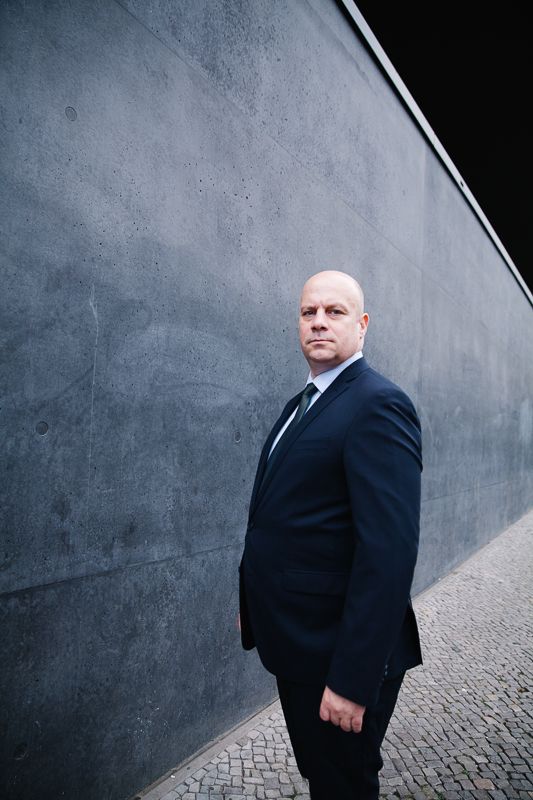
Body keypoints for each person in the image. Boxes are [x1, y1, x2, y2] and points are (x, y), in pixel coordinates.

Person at [239, 270, 423, 800]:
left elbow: (388, 555)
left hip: (337, 655)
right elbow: (283, 517)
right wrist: (253, 599)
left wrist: (351, 680)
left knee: (343, 785)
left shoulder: (378, 404)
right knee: (323, 777)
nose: (318, 322)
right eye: (308, 312)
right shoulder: (303, 402)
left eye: (334, 312)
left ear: (362, 325)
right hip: (299, 639)